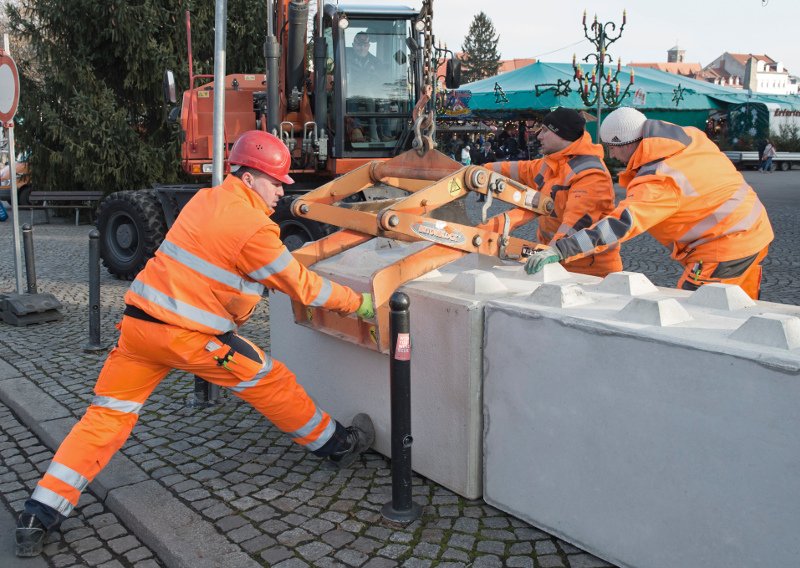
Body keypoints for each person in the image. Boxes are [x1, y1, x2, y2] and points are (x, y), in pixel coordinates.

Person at [14, 131, 377, 557]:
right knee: (270, 380)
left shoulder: (206, 200)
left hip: (138, 329)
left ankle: (39, 513)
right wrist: (358, 304)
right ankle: (336, 445)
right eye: (275, 182)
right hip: (191, 338)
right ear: (249, 177)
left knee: (106, 419)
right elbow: (304, 287)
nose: (282, 191)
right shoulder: (254, 228)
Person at [524, 107, 774, 299]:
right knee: (740, 311)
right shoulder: (688, 137)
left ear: (626, 143)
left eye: (612, 148)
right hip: (753, 230)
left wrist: (561, 249)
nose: (611, 155)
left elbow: (619, 225)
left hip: (724, 248)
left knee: (699, 314)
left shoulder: (660, 178)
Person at [484, 107, 623, 277]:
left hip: (590, 272)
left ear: (562, 134)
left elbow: (578, 224)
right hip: (558, 264)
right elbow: (518, 169)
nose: (539, 136)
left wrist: (554, 251)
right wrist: (479, 171)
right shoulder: (553, 163)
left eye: (545, 130)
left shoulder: (591, 174)